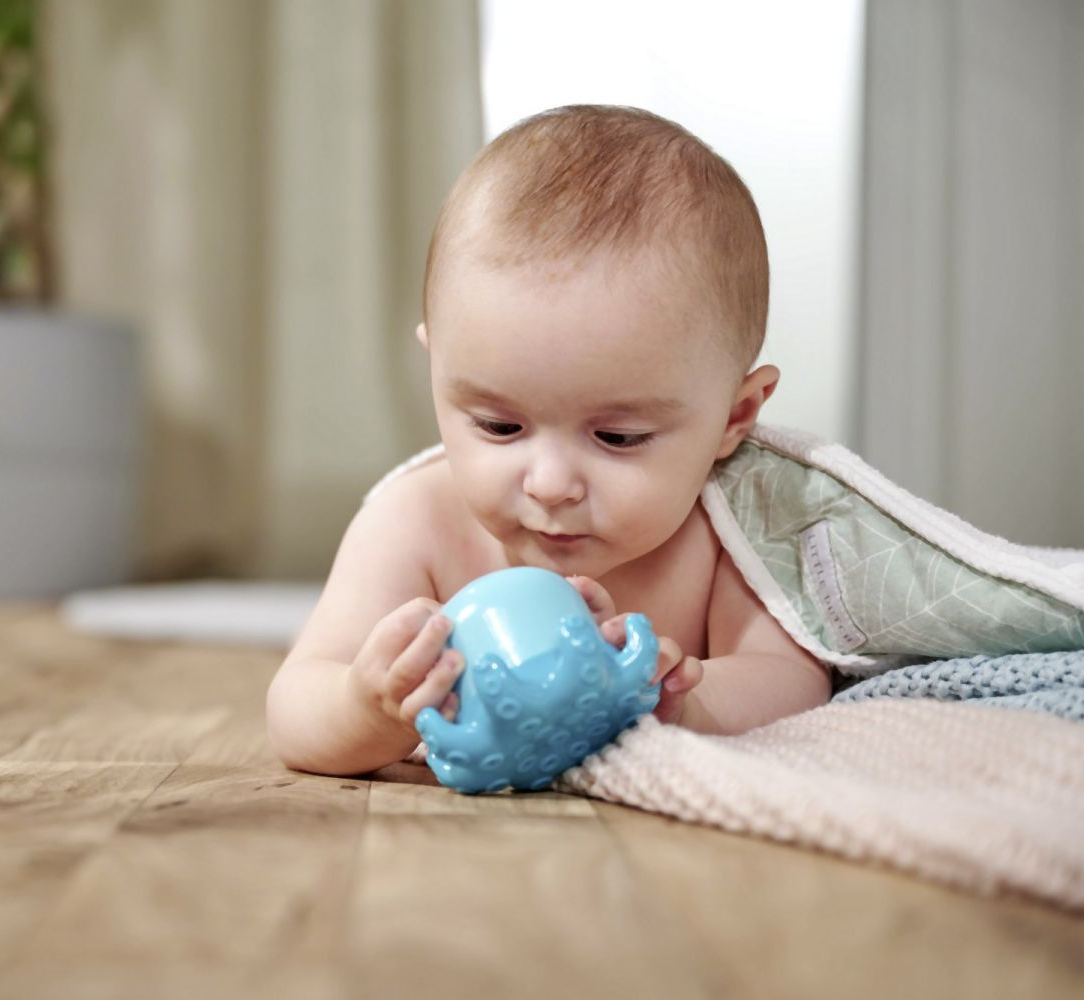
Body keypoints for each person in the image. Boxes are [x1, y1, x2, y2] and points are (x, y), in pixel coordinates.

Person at [265, 105, 835, 777]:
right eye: (500, 426)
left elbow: (793, 683)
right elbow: (295, 705)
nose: (550, 484)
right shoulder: (413, 523)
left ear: (734, 417)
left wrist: (677, 700)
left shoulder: (730, 529)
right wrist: (366, 708)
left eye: (617, 436)